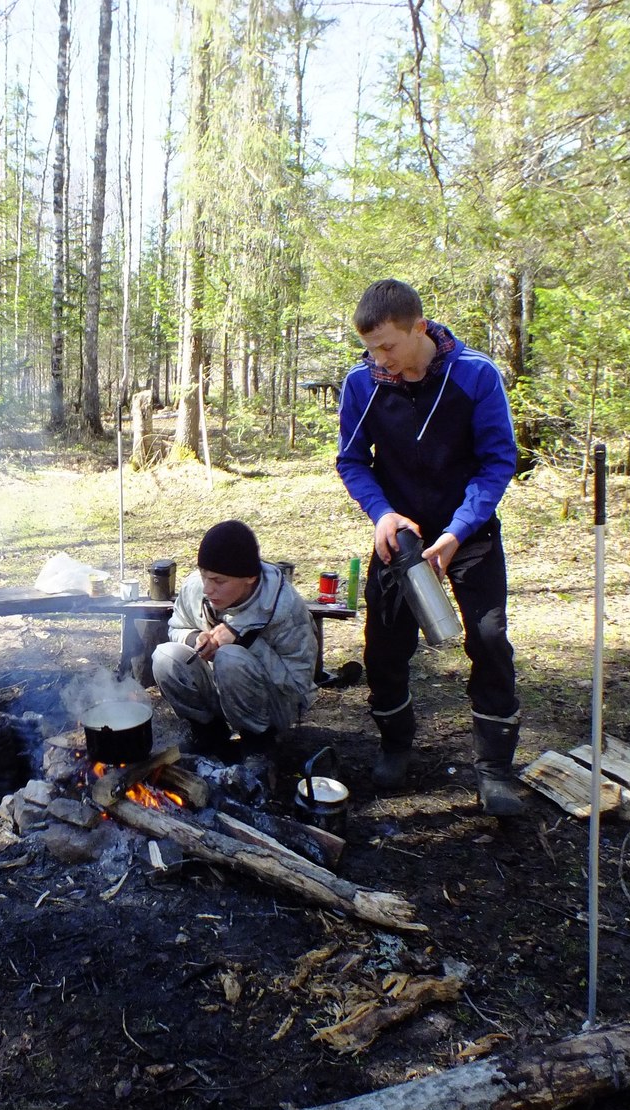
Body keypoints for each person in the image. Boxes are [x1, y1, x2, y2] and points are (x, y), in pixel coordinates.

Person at [335, 279, 529, 815]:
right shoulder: (363, 382)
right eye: (371, 348)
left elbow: (497, 462)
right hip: (401, 539)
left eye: (388, 346)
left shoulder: (475, 376)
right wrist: (382, 514)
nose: (380, 359)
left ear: (420, 327)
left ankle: (493, 769)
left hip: (469, 534)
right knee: (383, 646)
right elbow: (352, 460)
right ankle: (395, 744)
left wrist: (458, 530)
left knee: (488, 641)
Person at [151, 520, 318, 755]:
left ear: (249, 578)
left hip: (274, 705)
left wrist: (246, 641)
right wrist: (195, 640)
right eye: (204, 576)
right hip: (220, 689)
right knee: (165, 656)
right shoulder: (196, 588)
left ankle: (258, 745)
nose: (208, 589)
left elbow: (297, 686)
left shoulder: (284, 608)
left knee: (230, 657)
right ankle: (209, 734)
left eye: (219, 581)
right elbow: (176, 627)